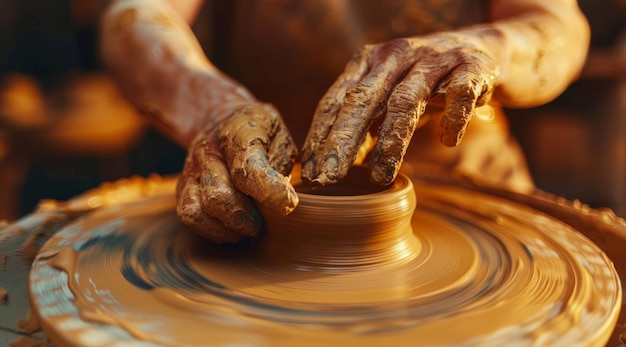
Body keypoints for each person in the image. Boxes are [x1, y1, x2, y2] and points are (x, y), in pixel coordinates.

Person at [99, 0, 590, 243]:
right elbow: (135, 13)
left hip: (472, 195)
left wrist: (486, 49)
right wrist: (212, 106)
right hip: (265, 191)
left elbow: (556, 23)